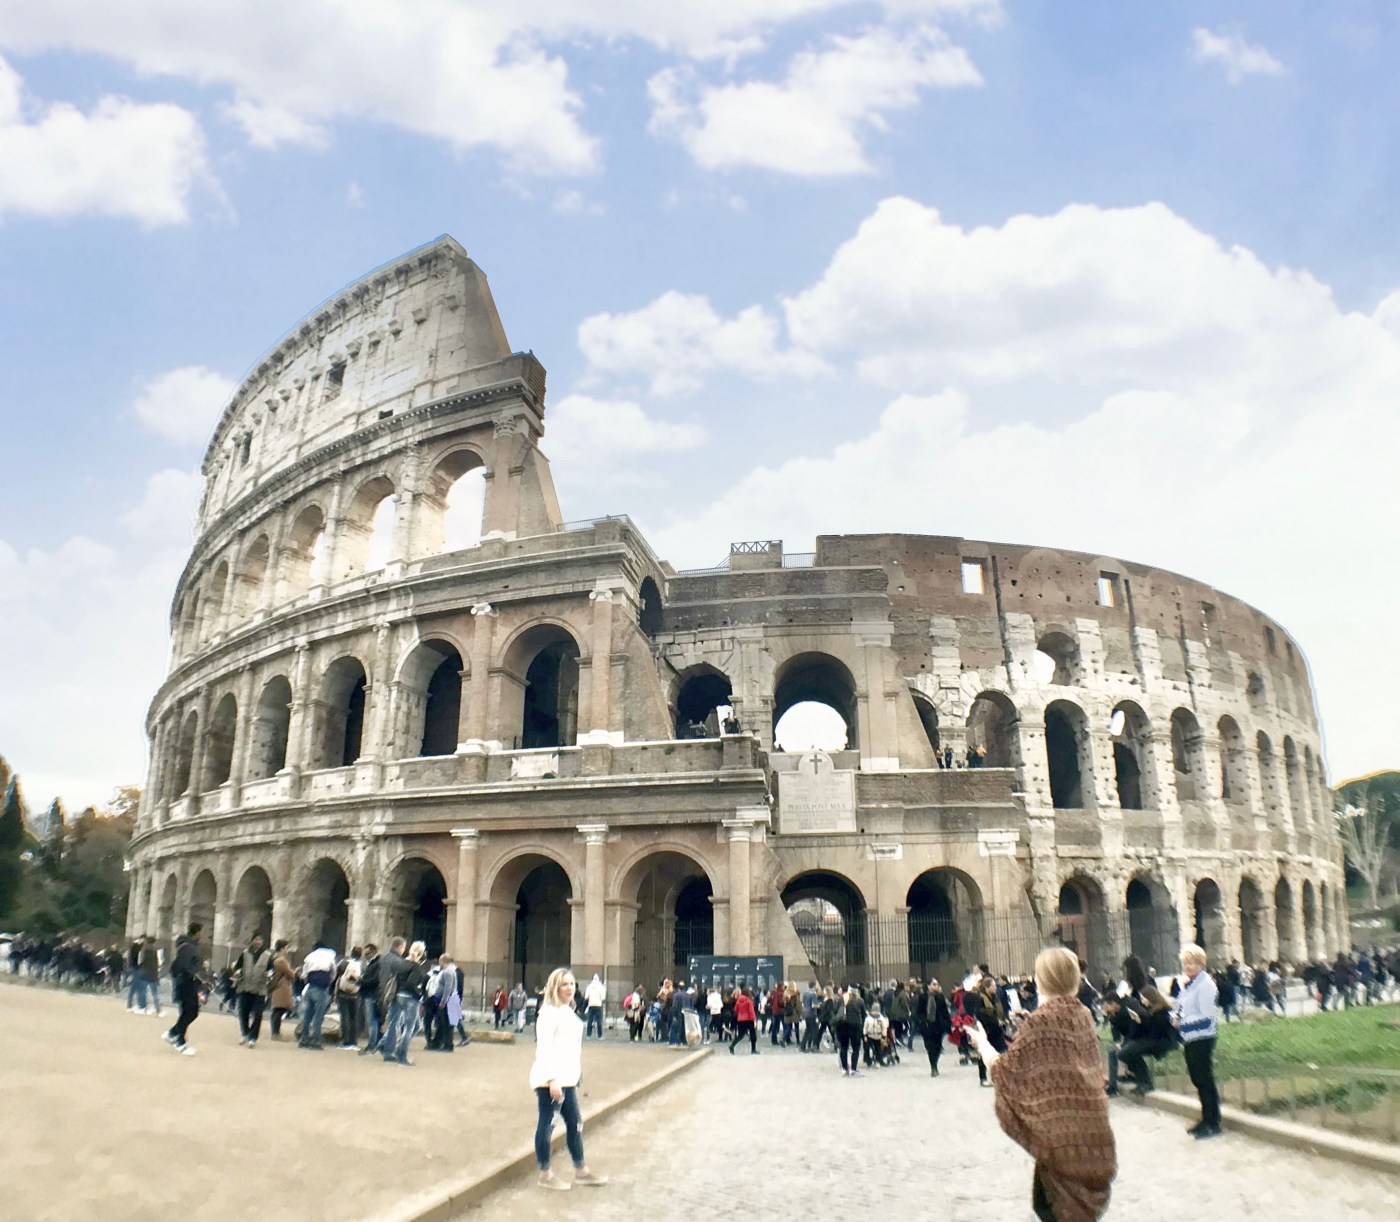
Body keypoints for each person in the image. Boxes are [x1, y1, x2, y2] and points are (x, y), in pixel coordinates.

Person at [968, 947, 1116, 1222]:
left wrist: (983, 1044)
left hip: (1058, 1136)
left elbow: (1005, 1071)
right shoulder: (1082, 1014)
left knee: (1053, 1209)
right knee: (1054, 1207)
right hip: (1092, 1127)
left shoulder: (1043, 1020)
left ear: (1043, 979)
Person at [530, 968, 607, 1190]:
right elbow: (544, 1048)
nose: (569, 988)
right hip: (551, 1080)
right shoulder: (549, 1012)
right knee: (547, 1124)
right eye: (564, 984)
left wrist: (575, 1073)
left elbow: (571, 1047)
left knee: (575, 1123)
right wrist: (552, 1079)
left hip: (568, 1078)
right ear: (555, 987)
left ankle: (581, 1171)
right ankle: (545, 1174)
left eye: (572, 984)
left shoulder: (567, 1010)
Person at [1174, 943, 1221, 1139]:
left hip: (1203, 1036)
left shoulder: (1206, 985)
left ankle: (1213, 1122)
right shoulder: (1190, 985)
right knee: (1197, 1079)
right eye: (1186, 963)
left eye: (1192, 963)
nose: (1188, 967)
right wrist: (1174, 1015)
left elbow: (1207, 1018)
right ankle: (1205, 1118)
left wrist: (1182, 1024)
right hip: (1191, 1037)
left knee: (1204, 1079)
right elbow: (1181, 1006)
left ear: (1201, 963)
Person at [380, 938, 427, 1066]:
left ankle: (392, 1047)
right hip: (410, 997)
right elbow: (412, 983)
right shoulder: (416, 966)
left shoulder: (402, 963)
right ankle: (402, 1055)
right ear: (421, 953)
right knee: (410, 1027)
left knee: (401, 1024)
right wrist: (419, 995)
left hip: (399, 995)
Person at [162, 924, 205, 1056]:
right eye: (200, 933)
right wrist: (196, 974)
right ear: (196, 933)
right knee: (190, 1012)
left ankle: (177, 1037)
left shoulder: (189, 946)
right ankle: (176, 1038)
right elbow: (185, 965)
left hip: (188, 983)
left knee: (188, 1012)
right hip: (187, 983)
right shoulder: (188, 947)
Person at [231, 932, 272, 1047]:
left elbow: (271, 970)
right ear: (252, 941)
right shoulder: (245, 953)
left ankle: (253, 1037)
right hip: (245, 987)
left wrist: (269, 976)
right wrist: (237, 972)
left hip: (260, 988)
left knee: (258, 1014)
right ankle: (245, 1033)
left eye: (260, 939)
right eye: (256, 939)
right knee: (243, 1012)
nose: (258, 942)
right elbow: (237, 967)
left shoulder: (267, 955)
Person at [298, 941, 337, 1049]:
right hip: (322, 987)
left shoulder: (310, 956)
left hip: (311, 985)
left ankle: (304, 1039)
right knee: (318, 1015)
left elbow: (304, 973)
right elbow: (333, 971)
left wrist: (307, 982)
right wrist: (329, 982)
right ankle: (316, 1040)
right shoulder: (329, 956)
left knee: (308, 1014)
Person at [914, 978, 952, 1076]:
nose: (936, 986)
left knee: (938, 1047)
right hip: (927, 1026)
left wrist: (948, 1024)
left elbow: (945, 1012)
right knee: (930, 1047)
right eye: (934, 984)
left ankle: (935, 1063)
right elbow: (919, 1012)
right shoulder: (922, 997)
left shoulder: (940, 997)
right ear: (928, 986)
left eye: (937, 984)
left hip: (938, 1026)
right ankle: (933, 1067)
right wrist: (922, 1022)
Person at [335, 947, 363, 1049]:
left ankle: (345, 1040)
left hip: (343, 992)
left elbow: (337, 975)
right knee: (354, 1017)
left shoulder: (343, 963)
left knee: (345, 1017)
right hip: (356, 993)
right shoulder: (362, 965)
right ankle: (353, 1041)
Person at [835, 984, 866, 1077]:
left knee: (843, 1047)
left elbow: (836, 1011)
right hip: (856, 1026)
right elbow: (863, 1015)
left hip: (843, 1026)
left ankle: (844, 1069)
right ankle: (853, 1069)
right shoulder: (860, 1001)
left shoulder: (841, 1000)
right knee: (855, 1048)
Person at [268, 941, 295, 1039]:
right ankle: (275, 1033)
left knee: (277, 1010)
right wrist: (293, 972)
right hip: (282, 986)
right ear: (282, 948)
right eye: (286, 948)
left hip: (277, 986)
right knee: (280, 1009)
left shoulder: (275, 958)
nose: (287, 950)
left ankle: (275, 1032)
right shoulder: (281, 961)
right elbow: (290, 973)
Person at [728, 985, 758, 1054]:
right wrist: (754, 1020)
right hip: (749, 1019)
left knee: (740, 1035)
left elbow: (735, 1010)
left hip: (741, 1019)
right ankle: (753, 1050)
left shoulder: (738, 1000)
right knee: (753, 1035)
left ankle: (732, 1046)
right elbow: (751, 1011)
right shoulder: (749, 1001)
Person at [583, 973, 606, 1039]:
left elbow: (586, 997)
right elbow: (603, 997)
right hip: (598, 1005)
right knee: (599, 1021)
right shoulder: (601, 986)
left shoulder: (589, 986)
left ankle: (588, 1035)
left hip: (591, 1005)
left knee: (590, 1021)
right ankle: (599, 1035)